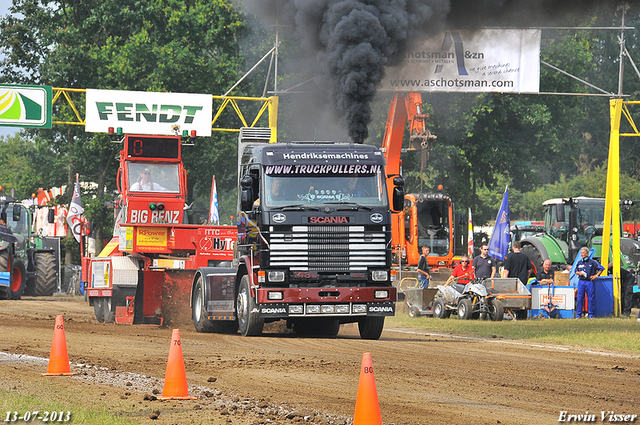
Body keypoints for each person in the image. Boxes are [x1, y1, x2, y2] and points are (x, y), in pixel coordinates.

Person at [575, 247, 604, 319]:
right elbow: (575, 271)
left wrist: (596, 276)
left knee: (590, 298)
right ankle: (579, 314)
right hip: (581, 282)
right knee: (580, 298)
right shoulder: (579, 262)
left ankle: (591, 314)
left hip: (589, 282)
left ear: (587, 254)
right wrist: (579, 273)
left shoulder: (592, 262)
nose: (582, 254)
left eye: (583, 253)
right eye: (581, 253)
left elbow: (601, 268)